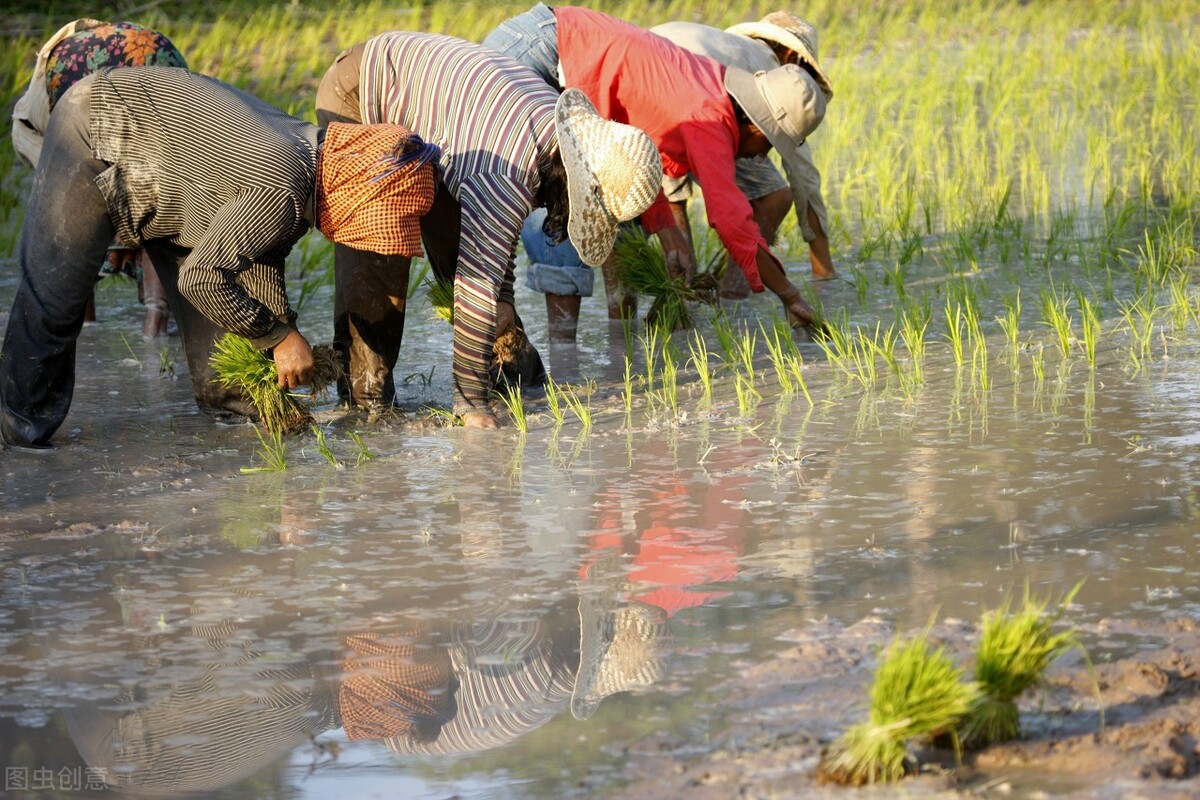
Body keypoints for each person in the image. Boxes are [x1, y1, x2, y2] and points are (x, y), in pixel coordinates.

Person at [0, 65, 441, 450]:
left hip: (172, 183)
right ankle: (19, 438)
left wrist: (281, 325)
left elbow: (260, 260)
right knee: (55, 299)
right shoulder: (284, 187)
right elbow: (201, 279)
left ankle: (243, 417)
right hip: (97, 127)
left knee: (222, 356)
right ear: (355, 197)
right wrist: (280, 338)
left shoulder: (311, 159)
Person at [315, 32, 662, 427]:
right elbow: (476, 284)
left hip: (437, 112)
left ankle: (515, 381)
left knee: (475, 269)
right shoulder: (508, 172)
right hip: (364, 93)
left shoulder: (554, 141)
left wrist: (506, 298)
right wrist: (470, 404)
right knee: (382, 247)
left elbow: (497, 234)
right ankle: (365, 406)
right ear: (570, 183)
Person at [482, 5, 825, 342]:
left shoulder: (711, 85)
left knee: (620, 209)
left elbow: (636, 149)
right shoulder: (710, 117)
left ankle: (605, 348)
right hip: (541, 55)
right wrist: (790, 296)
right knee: (566, 204)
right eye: (769, 144)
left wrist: (667, 230)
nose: (763, 155)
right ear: (756, 126)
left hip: (545, 41)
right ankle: (562, 362)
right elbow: (733, 223)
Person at [11, 19, 189, 339]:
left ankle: (84, 324)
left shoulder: (45, 90)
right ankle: (155, 324)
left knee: (77, 208)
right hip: (157, 55)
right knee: (155, 199)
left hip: (78, 69)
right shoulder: (138, 39)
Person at [652, 12, 837, 297]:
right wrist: (823, 272)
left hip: (652, 86)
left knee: (674, 200)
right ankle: (734, 296)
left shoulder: (728, 44)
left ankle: (684, 298)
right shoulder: (772, 73)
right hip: (698, 108)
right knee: (776, 197)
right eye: (806, 71)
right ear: (792, 55)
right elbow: (803, 177)